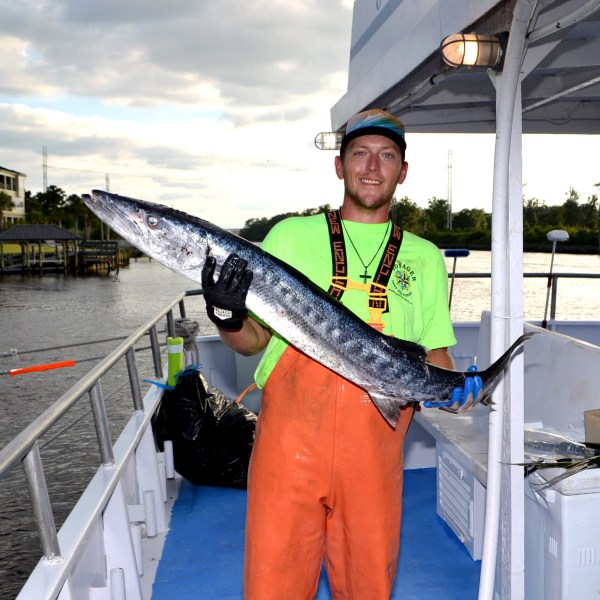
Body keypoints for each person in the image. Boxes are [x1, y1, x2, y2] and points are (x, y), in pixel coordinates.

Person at [201, 109, 483, 599]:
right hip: (288, 445)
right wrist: (227, 318)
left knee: (368, 585)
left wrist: (459, 391)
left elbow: (435, 354)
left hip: (375, 451)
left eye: (386, 156)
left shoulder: (425, 257)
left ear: (402, 171)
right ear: (339, 166)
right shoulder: (290, 236)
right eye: (360, 153)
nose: (372, 167)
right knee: (272, 584)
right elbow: (254, 343)